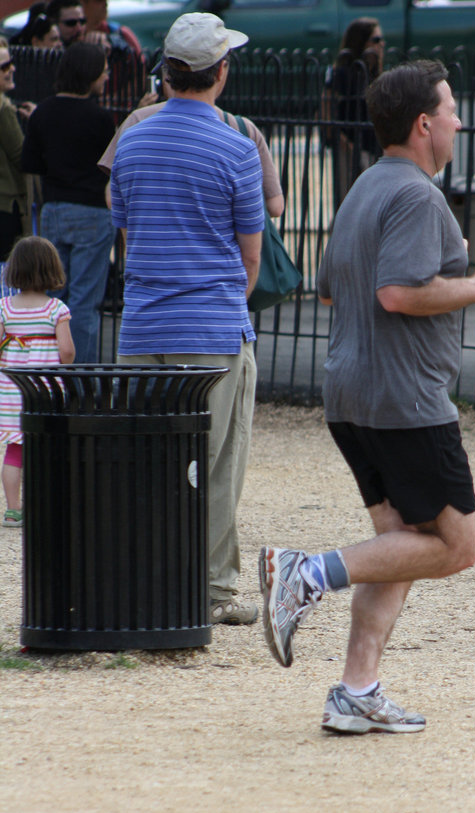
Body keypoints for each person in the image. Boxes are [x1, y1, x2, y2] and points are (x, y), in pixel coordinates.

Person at [259, 60, 475, 734]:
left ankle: (356, 691)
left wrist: (443, 271)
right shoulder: (414, 195)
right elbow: (396, 293)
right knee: (457, 545)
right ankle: (305, 572)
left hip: (351, 393)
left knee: (400, 544)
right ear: (423, 123)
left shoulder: (364, 188)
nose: (460, 120)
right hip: (403, 401)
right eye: (451, 108)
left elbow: (328, 288)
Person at [110, 13, 264, 627]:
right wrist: (225, 295)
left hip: (145, 324)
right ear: (220, 71)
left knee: (145, 456)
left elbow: (125, 233)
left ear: (167, 72)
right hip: (213, 329)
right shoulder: (236, 146)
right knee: (218, 459)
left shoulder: (133, 140)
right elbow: (251, 253)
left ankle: (144, 579)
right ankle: (213, 588)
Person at [21, 41, 115, 363]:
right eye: (103, 72)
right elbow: (112, 165)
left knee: (49, 296)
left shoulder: (43, 112)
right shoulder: (102, 119)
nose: (106, 77)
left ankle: (46, 372)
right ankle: (80, 382)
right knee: (85, 302)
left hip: (54, 209)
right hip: (92, 211)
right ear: (89, 75)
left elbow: (31, 164)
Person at [98, 69, 284, 218]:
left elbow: (112, 200)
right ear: (220, 72)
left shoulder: (136, 122)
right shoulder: (243, 130)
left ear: (167, 75)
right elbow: (275, 207)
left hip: (153, 259)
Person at [0, 235, 75, 527]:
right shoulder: (56, 310)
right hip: (44, 390)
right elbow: (67, 351)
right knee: (46, 447)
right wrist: (62, 367)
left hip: (11, 389)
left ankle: (13, 509)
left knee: (15, 450)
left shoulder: (4, 307)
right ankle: (45, 505)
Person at [322, 17, 384, 207]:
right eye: (376, 40)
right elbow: (326, 111)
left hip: (374, 147)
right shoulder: (342, 73)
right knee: (349, 202)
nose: (381, 44)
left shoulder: (377, 75)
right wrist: (342, 141)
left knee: (374, 202)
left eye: (381, 40)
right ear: (361, 42)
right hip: (349, 145)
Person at [0, 39, 28, 263]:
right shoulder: (3, 109)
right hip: (5, 205)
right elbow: (22, 157)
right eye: (4, 67)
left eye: (11, 63)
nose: (12, 69)